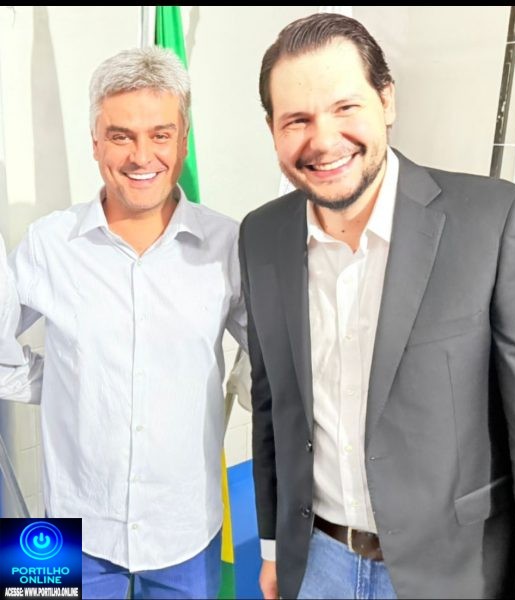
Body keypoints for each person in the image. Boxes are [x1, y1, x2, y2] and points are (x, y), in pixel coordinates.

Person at [239, 12, 515, 600]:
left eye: (345, 107)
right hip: (316, 565)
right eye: (297, 119)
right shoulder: (261, 236)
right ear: (273, 130)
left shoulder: (494, 224)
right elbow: (273, 407)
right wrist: (275, 549)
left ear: (386, 100)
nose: (323, 140)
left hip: (455, 574)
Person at [0, 46, 246, 599]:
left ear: (183, 141)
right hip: (62, 528)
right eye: (120, 136)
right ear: (95, 142)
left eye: (160, 134)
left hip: (188, 530)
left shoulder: (226, 243)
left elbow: (274, 354)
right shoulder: (48, 242)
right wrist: (60, 381)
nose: (142, 156)